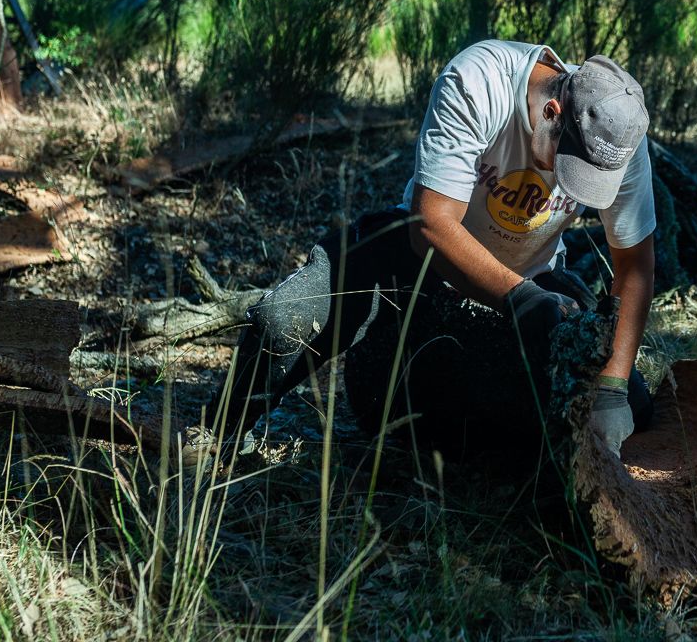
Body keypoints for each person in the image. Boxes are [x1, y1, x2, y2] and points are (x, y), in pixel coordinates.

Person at [208, 40, 656, 460]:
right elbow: (432, 224)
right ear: (551, 112)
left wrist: (612, 389)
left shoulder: (618, 134)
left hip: (533, 278)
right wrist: (518, 298)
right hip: (422, 259)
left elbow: (634, 264)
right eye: (566, 166)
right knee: (284, 318)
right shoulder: (481, 80)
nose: (567, 183)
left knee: (634, 403)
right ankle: (218, 433)